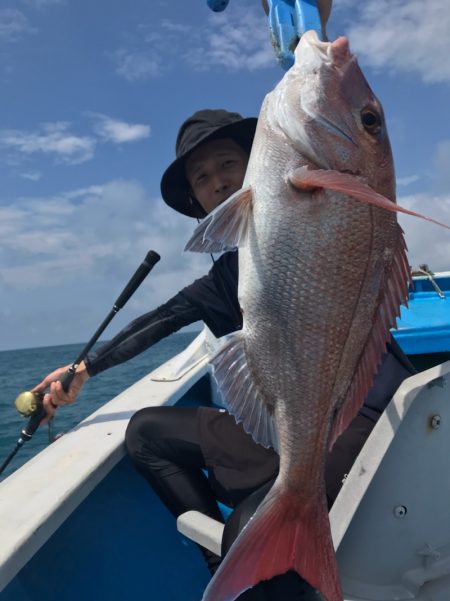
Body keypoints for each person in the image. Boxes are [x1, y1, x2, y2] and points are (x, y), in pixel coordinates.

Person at [33, 109, 416, 598]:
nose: (217, 182)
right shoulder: (225, 278)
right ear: (196, 201)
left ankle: (256, 553)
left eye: (227, 164)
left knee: (250, 531)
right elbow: (160, 320)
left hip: (364, 424)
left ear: (260, 161)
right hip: (290, 432)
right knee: (147, 433)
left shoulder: (329, 224)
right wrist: (86, 368)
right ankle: (222, 564)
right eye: (202, 178)